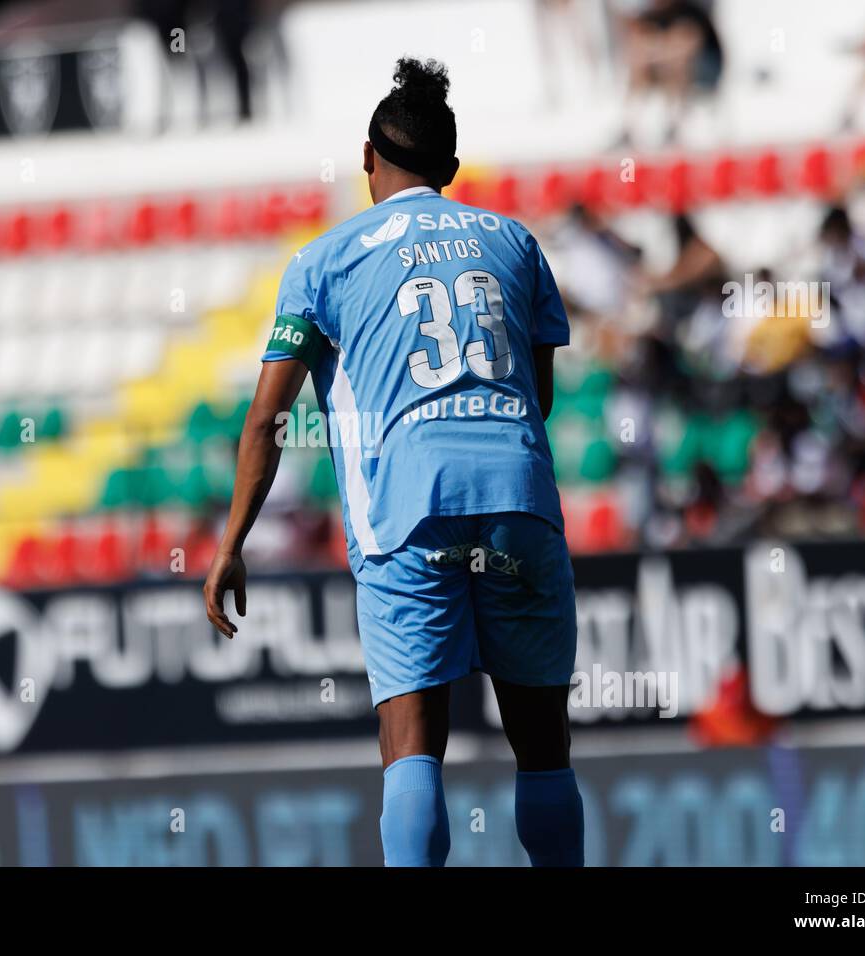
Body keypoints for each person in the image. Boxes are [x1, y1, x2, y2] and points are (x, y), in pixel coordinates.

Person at [203, 58, 582, 867]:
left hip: (406, 506)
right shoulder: (514, 241)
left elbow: (268, 419)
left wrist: (233, 541)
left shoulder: (323, 261)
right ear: (448, 170)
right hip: (518, 494)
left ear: (368, 158)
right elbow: (535, 394)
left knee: (411, 744)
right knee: (544, 744)